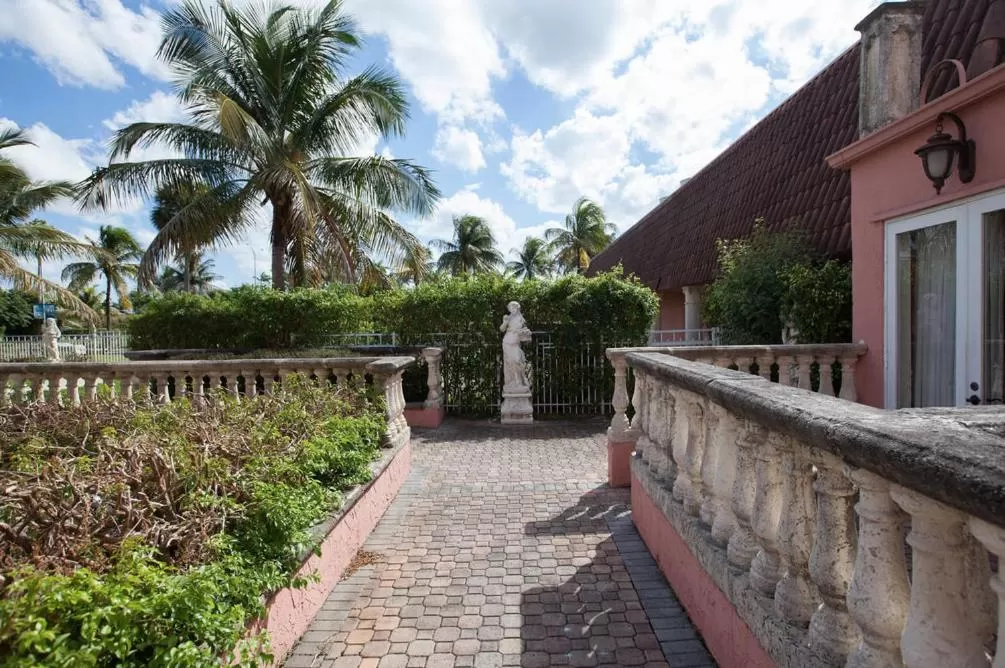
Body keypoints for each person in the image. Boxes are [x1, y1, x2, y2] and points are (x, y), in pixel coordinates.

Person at [500, 301, 532, 391]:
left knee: (518, 361)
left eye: (513, 308)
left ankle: (521, 381)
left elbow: (525, 330)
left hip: (516, 343)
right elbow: (502, 329)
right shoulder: (507, 317)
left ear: (517, 308)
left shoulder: (521, 319)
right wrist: (505, 322)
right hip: (507, 342)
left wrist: (527, 332)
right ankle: (515, 383)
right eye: (510, 308)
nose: (512, 310)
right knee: (510, 362)